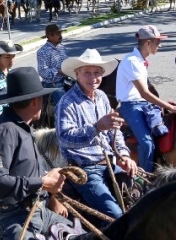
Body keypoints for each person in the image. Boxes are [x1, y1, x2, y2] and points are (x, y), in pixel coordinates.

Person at [0, 67, 71, 240]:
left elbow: (23, 172)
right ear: (36, 101)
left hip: (37, 211)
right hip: (9, 218)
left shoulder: (23, 127)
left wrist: (49, 187)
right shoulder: (5, 131)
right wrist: (42, 182)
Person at [56, 49, 138, 220]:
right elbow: (64, 138)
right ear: (76, 74)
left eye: (97, 73)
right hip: (84, 169)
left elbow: (114, 132)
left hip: (109, 163)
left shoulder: (102, 97)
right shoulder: (67, 102)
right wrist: (96, 128)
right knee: (117, 217)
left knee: (142, 200)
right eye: (87, 73)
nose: (93, 78)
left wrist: (124, 155)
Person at [117, 26, 176, 172]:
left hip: (144, 104)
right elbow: (144, 93)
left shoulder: (140, 60)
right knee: (147, 143)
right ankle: (144, 178)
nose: (160, 45)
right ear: (148, 43)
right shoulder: (132, 61)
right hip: (131, 106)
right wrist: (171, 107)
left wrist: (165, 105)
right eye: (157, 42)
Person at [36, 24, 67, 106]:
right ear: (50, 36)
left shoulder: (62, 47)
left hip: (66, 80)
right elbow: (42, 71)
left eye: (60, 34)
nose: (60, 36)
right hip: (53, 84)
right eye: (58, 34)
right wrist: (59, 71)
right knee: (65, 105)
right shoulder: (42, 51)